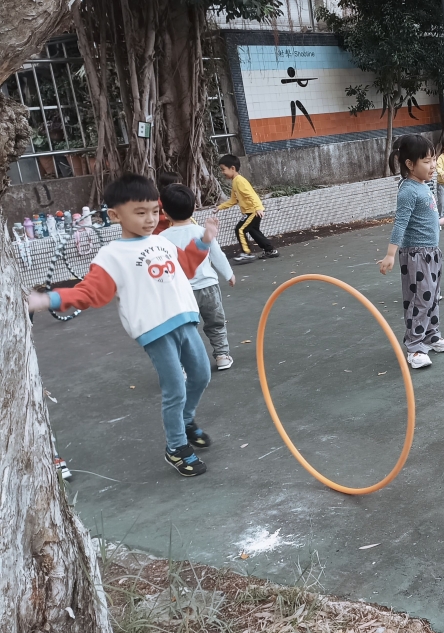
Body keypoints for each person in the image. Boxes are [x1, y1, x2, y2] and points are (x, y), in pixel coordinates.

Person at [27, 173, 219, 478]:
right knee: (174, 389)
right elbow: (90, 292)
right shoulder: (112, 255)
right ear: (116, 215)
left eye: (154, 211)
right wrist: (49, 299)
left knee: (201, 375)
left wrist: (203, 242)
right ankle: (176, 446)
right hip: (154, 331)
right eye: (140, 213)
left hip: (185, 320)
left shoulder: (162, 241)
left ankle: (185, 421)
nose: (150, 219)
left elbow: (185, 267)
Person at [378, 135, 444, 370]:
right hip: (416, 255)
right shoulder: (408, 190)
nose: (433, 165)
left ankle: (431, 336)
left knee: (432, 297)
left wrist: (437, 222)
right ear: (410, 164)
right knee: (420, 299)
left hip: (431, 252)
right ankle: (414, 347)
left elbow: (420, 218)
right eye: (426, 161)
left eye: (433, 160)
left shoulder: (422, 185)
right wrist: (391, 254)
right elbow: (401, 223)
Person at [160, 184, 237, 370]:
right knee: (216, 323)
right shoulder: (202, 232)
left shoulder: (162, 238)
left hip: (181, 292)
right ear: (194, 208)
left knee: (185, 330)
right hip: (208, 287)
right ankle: (222, 355)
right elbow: (217, 255)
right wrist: (229, 274)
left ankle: (185, 365)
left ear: (165, 213)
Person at [216, 154, 278, 264]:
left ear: (232, 168)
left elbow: (252, 195)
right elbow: (233, 200)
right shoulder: (235, 181)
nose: (222, 172)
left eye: (223, 169)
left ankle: (246, 253)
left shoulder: (240, 181)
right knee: (254, 231)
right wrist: (219, 207)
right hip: (251, 212)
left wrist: (258, 208)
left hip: (252, 212)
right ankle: (270, 250)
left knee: (240, 229)